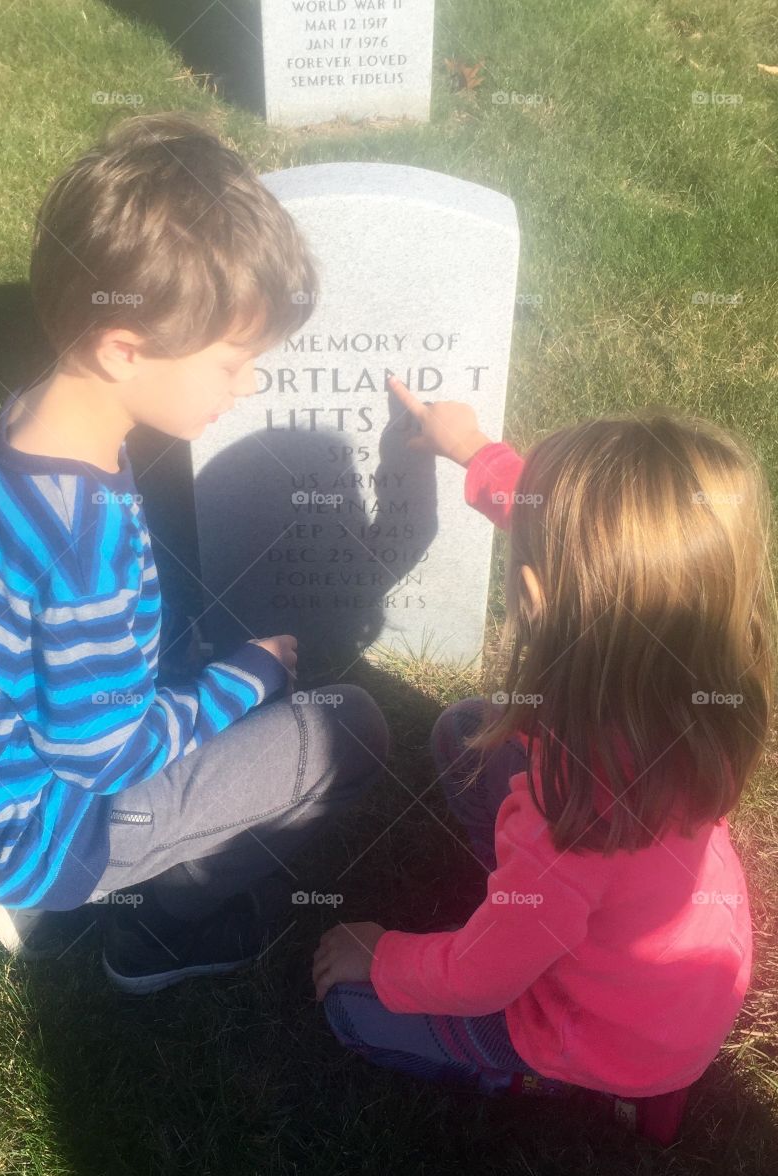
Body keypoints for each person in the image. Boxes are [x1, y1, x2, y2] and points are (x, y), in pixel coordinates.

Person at [0, 112, 389, 992]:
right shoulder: (82, 538)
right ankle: (160, 933)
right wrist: (244, 677)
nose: (246, 384)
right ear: (122, 348)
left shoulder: (40, 419)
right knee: (350, 731)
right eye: (229, 362)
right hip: (49, 819)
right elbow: (107, 755)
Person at [313, 372, 775, 1107]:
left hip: (600, 1034)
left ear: (534, 599)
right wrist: (471, 450)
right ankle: (535, 923)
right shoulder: (698, 699)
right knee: (469, 731)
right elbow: (587, 536)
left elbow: (479, 979)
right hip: (679, 984)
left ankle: (526, 1071)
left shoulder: (569, 823)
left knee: (352, 1010)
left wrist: (385, 955)